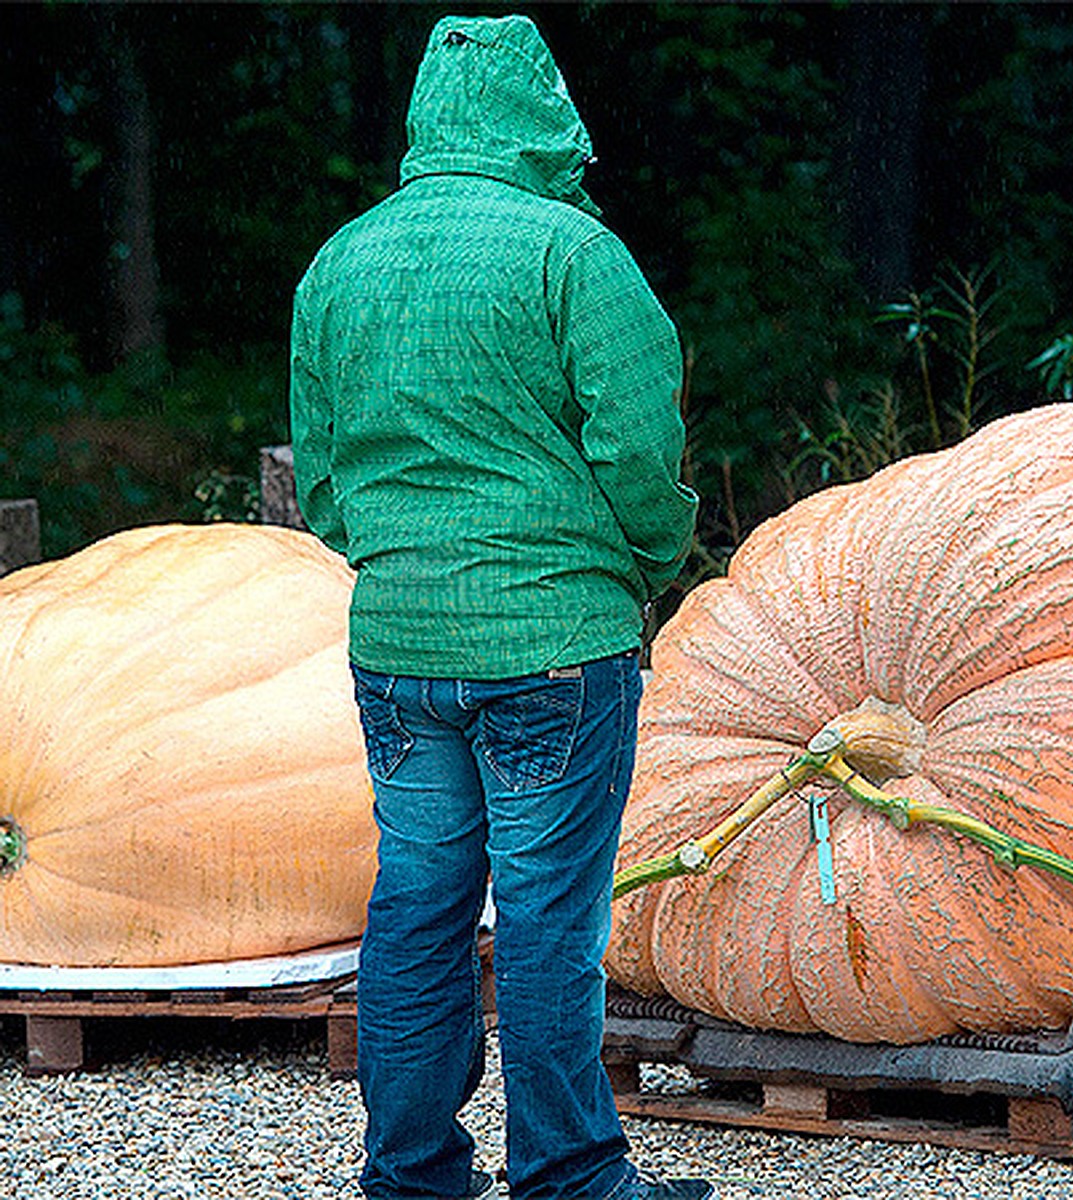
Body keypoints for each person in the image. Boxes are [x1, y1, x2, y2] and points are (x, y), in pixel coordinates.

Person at [290, 14, 707, 1200]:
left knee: (417, 905)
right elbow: (639, 450)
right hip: (556, 645)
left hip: (400, 648)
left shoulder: (341, 261)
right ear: (547, 110)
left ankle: (413, 1172)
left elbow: (323, 483)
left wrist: (408, 554)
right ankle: (569, 1174)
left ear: (425, 113)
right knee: (545, 918)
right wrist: (648, 558)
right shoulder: (572, 254)